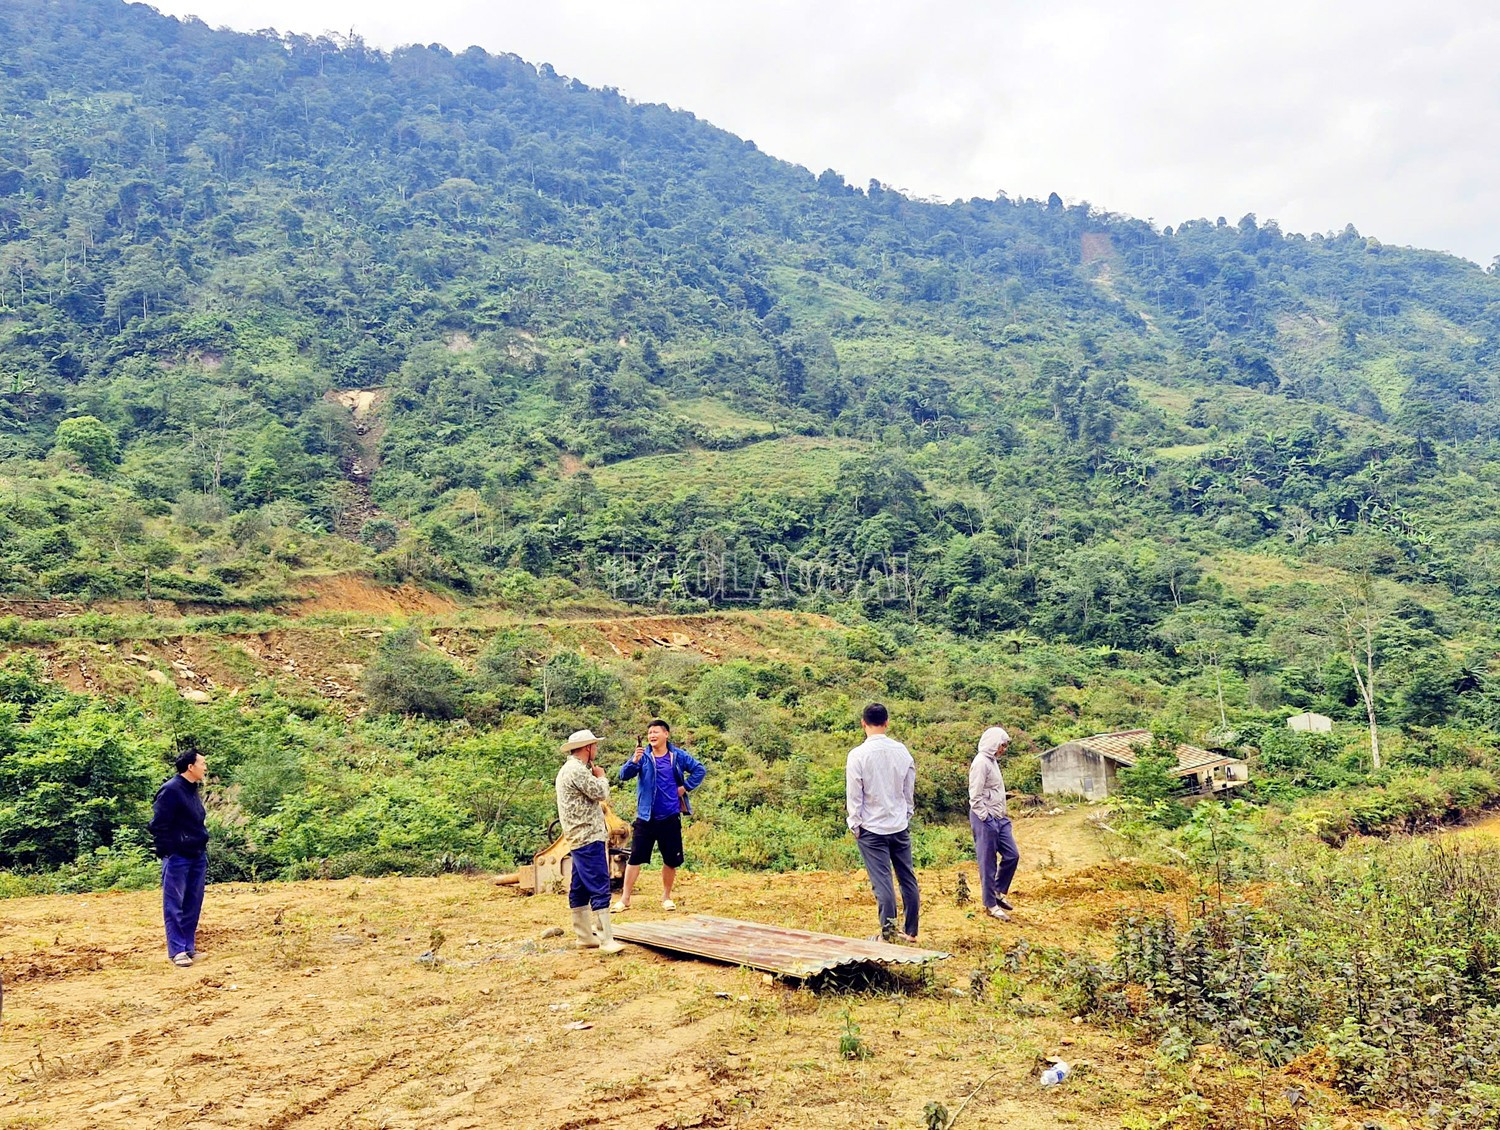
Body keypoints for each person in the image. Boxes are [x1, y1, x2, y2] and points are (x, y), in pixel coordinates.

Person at [613, 719, 706, 911]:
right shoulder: (643, 756)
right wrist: (634, 761)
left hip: (670, 816)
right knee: (635, 858)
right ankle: (625, 899)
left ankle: (666, 897)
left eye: (656, 732)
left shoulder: (677, 756)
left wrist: (685, 787)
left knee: (670, 859)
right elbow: (623, 775)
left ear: (666, 734)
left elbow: (699, 769)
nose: (652, 736)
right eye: (649, 733)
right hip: (646, 817)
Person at [846, 702, 920, 942]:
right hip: (898, 825)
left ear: (863, 724)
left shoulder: (857, 755)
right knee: (907, 878)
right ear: (887, 722)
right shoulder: (902, 751)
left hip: (872, 829)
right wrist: (906, 814)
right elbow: (909, 790)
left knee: (883, 883)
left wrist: (855, 824)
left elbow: (854, 795)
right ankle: (910, 931)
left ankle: (888, 934)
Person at [554, 729, 624, 954]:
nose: (596, 749)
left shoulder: (567, 770)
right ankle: (606, 938)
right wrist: (601, 776)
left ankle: (584, 936)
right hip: (588, 835)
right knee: (599, 883)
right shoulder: (578, 771)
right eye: (594, 746)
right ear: (587, 748)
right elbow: (601, 793)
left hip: (577, 836)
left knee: (581, 886)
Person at [148, 740, 210, 967]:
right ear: (190, 767)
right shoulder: (171, 790)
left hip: (196, 854)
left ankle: (188, 947)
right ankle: (177, 951)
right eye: (202, 763)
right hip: (178, 856)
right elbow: (158, 824)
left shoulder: (192, 789)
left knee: (193, 902)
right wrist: (169, 851)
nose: (205, 768)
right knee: (174, 904)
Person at [970, 725, 1021, 922]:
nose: (1004, 749)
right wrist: (985, 817)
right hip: (985, 818)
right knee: (987, 862)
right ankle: (990, 904)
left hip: (1000, 817)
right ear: (994, 744)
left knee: (1012, 855)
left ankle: (998, 891)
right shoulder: (981, 763)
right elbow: (975, 796)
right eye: (1002, 745)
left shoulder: (993, 761)